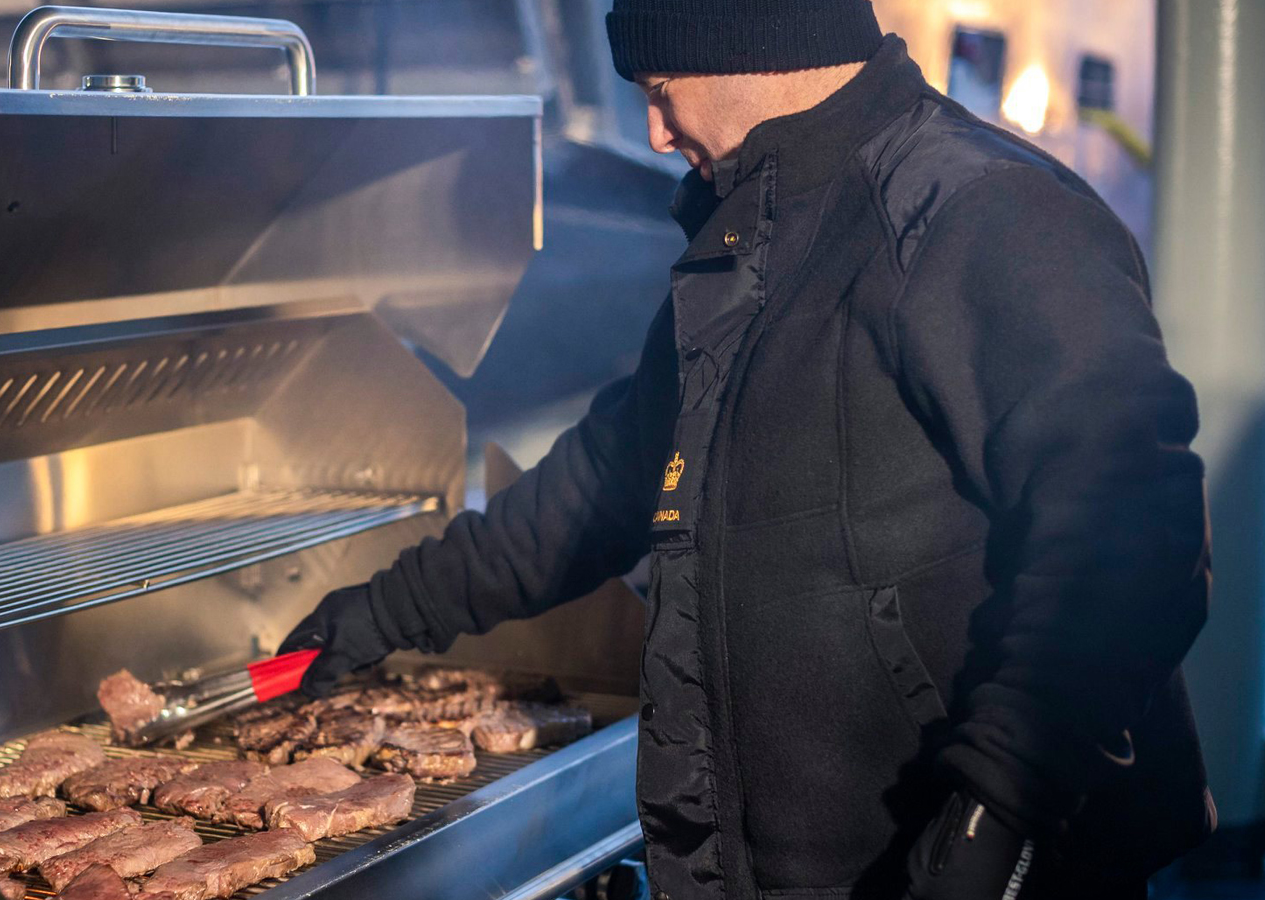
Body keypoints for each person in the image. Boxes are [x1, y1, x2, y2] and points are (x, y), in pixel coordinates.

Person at [282, 1, 1215, 897]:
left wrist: (998, 817)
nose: (653, 131)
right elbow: (599, 487)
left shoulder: (984, 215)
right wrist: (371, 617)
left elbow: (1131, 536)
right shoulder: (750, 237)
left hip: (966, 858)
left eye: (659, 87)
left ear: (744, 44)